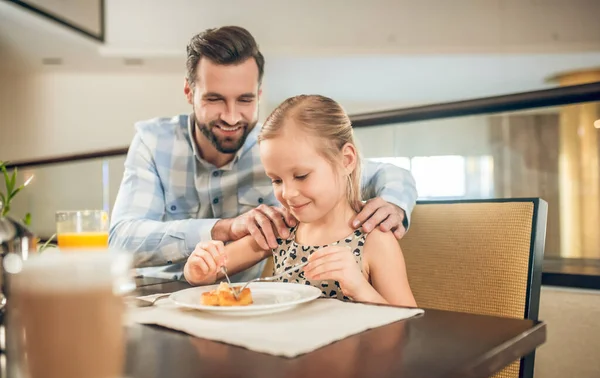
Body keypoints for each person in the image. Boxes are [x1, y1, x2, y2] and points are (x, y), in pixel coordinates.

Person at [109, 26, 418, 282]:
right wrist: (224, 228)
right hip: (154, 294)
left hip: (242, 307)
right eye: (215, 99)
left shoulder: (277, 152)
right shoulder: (153, 141)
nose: (231, 117)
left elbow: (385, 173)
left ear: (258, 94)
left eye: (244, 100)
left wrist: (394, 203)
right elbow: (121, 240)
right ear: (190, 92)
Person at [184, 94, 416, 307]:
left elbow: (409, 322)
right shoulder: (283, 228)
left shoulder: (374, 239)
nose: (288, 193)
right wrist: (197, 269)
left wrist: (360, 288)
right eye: (276, 180)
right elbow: (214, 269)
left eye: (301, 176)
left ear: (346, 160)